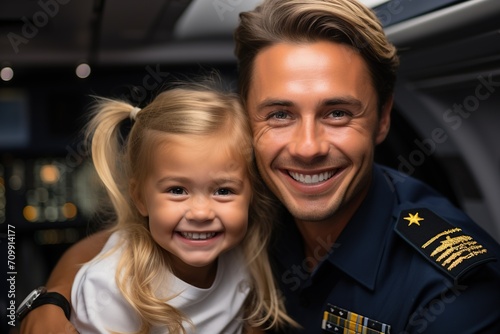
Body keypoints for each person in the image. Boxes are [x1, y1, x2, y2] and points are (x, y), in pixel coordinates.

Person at [19, 0, 500, 333]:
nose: (307, 148)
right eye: (280, 114)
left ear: (383, 119)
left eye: (337, 113)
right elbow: (121, 240)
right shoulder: (251, 197)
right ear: (249, 121)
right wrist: (50, 300)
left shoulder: (450, 298)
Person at [19, 81, 296, 333]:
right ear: (140, 198)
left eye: (223, 191)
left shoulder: (244, 258)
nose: (201, 213)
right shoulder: (112, 288)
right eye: (177, 190)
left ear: (251, 195)